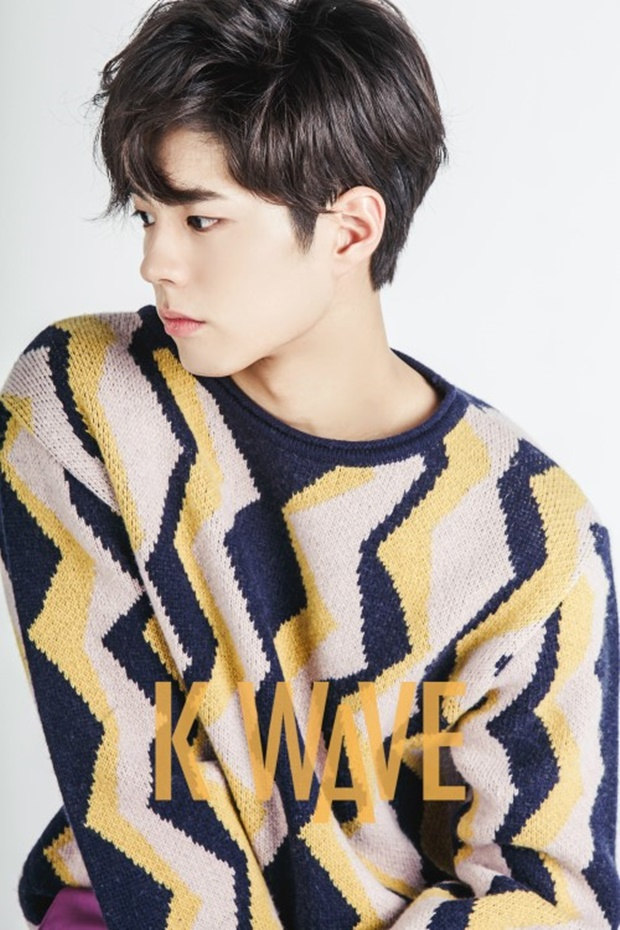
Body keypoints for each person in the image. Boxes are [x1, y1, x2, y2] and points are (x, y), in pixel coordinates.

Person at [0, 0, 617, 927]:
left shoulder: (533, 536)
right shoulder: (88, 401)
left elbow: (546, 890)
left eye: (201, 219)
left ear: (349, 231)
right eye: (146, 215)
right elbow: (136, 799)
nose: (155, 262)